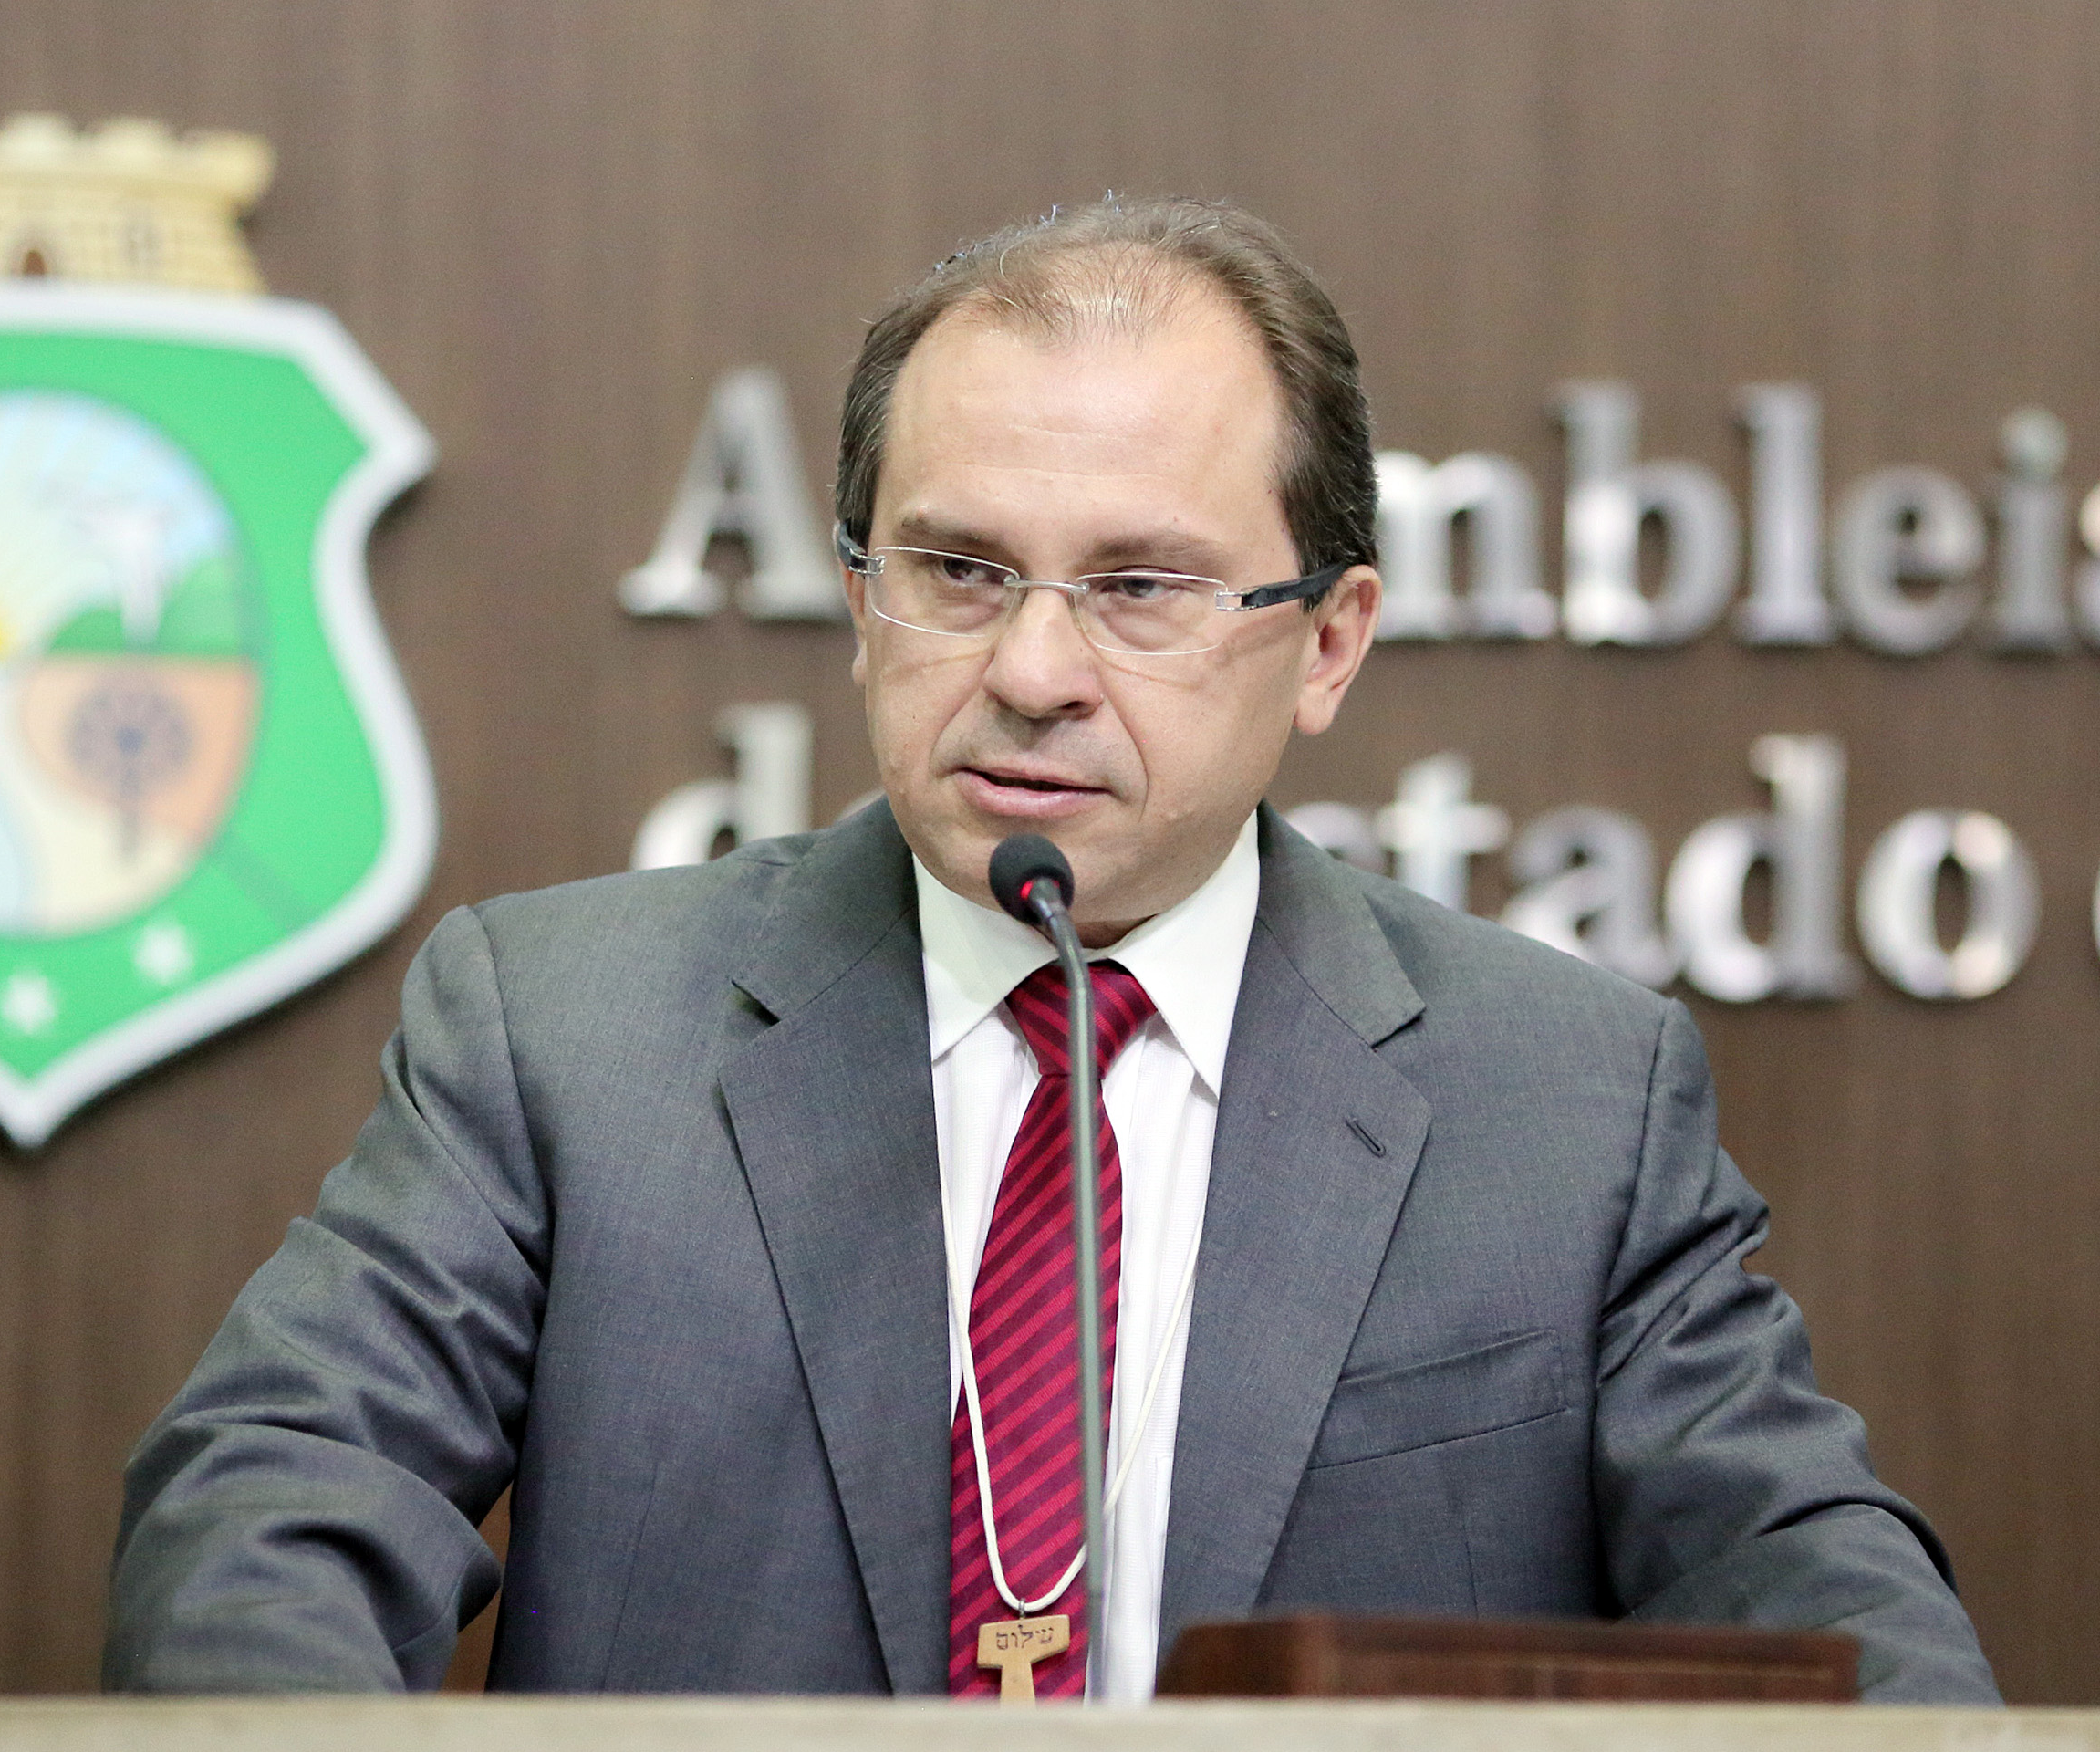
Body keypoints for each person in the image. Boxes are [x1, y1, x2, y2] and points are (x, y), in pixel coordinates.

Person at [103, 196, 1998, 1704]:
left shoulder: (1567, 1109)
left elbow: (1826, 1600)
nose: (1028, 669)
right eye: (958, 570)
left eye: (1139, 587)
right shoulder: (561, 1035)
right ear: (860, 598)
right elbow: (268, 1506)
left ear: (1329, 641)